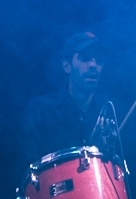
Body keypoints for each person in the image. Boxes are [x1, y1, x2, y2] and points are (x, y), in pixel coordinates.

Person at [19, 32, 111, 168]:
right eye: (85, 58)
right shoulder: (40, 111)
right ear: (67, 66)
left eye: (98, 59)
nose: (93, 64)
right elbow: (27, 169)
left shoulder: (112, 111)